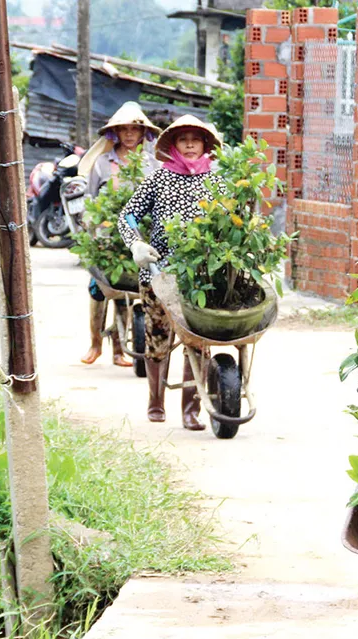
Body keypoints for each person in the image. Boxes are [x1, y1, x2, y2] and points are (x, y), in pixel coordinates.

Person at [118, 115, 228, 430]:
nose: (190, 144)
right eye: (183, 139)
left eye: (196, 138)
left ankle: (191, 410)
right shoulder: (159, 178)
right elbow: (128, 215)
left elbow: (231, 223)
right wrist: (136, 245)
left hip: (200, 278)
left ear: (206, 144)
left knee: (197, 340)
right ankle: (155, 400)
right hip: (158, 273)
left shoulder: (216, 182)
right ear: (174, 145)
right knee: (158, 337)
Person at [77, 102, 160, 366]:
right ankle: (95, 343)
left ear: (142, 133)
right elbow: (89, 199)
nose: (129, 134)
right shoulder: (102, 163)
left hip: (139, 235)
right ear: (115, 132)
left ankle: (118, 349)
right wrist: (93, 225)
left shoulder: (152, 165)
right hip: (106, 236)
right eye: (123, 129)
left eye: (134, 129)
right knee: (100, 287)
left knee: (130, 289)